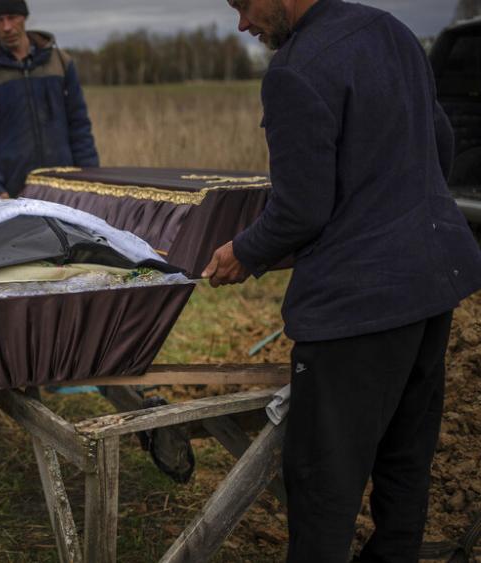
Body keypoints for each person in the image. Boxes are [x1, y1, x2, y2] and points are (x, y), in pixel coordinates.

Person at [204, 0, 481, 561]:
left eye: (242, 4)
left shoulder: (295, 70)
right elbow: (440, 143)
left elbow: (300, 210)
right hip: (430, 285)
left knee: (323, 481)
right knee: (406, 456)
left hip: (358, 307)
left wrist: (243, 253)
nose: (243, 24)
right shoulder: (392, 30)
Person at [0, 0, 100, 199]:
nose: (7, 27)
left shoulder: (61, 63)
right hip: (13, 195)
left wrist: (90, 178)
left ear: (24, 17)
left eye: (12, 18)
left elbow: (79, 126)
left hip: (67, 190)